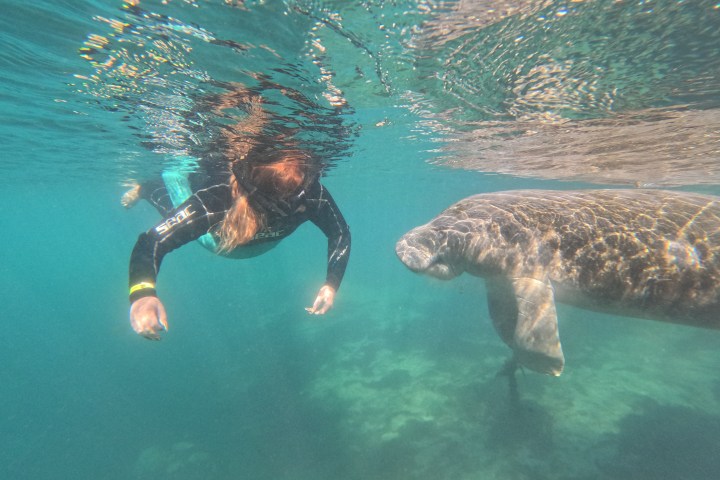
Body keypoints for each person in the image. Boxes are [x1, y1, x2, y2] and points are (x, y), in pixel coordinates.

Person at [122, 84, 351, 340]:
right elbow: (152, 241)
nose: (300, 194)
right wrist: (142, 295)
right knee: (174, 205)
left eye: (303, 183)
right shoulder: (215, 200)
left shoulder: (309, 191)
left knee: (182, 213)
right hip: (217, 241)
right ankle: (148, 187)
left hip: (259, 243)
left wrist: (331, 284)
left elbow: (340, 233)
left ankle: (150, 186)